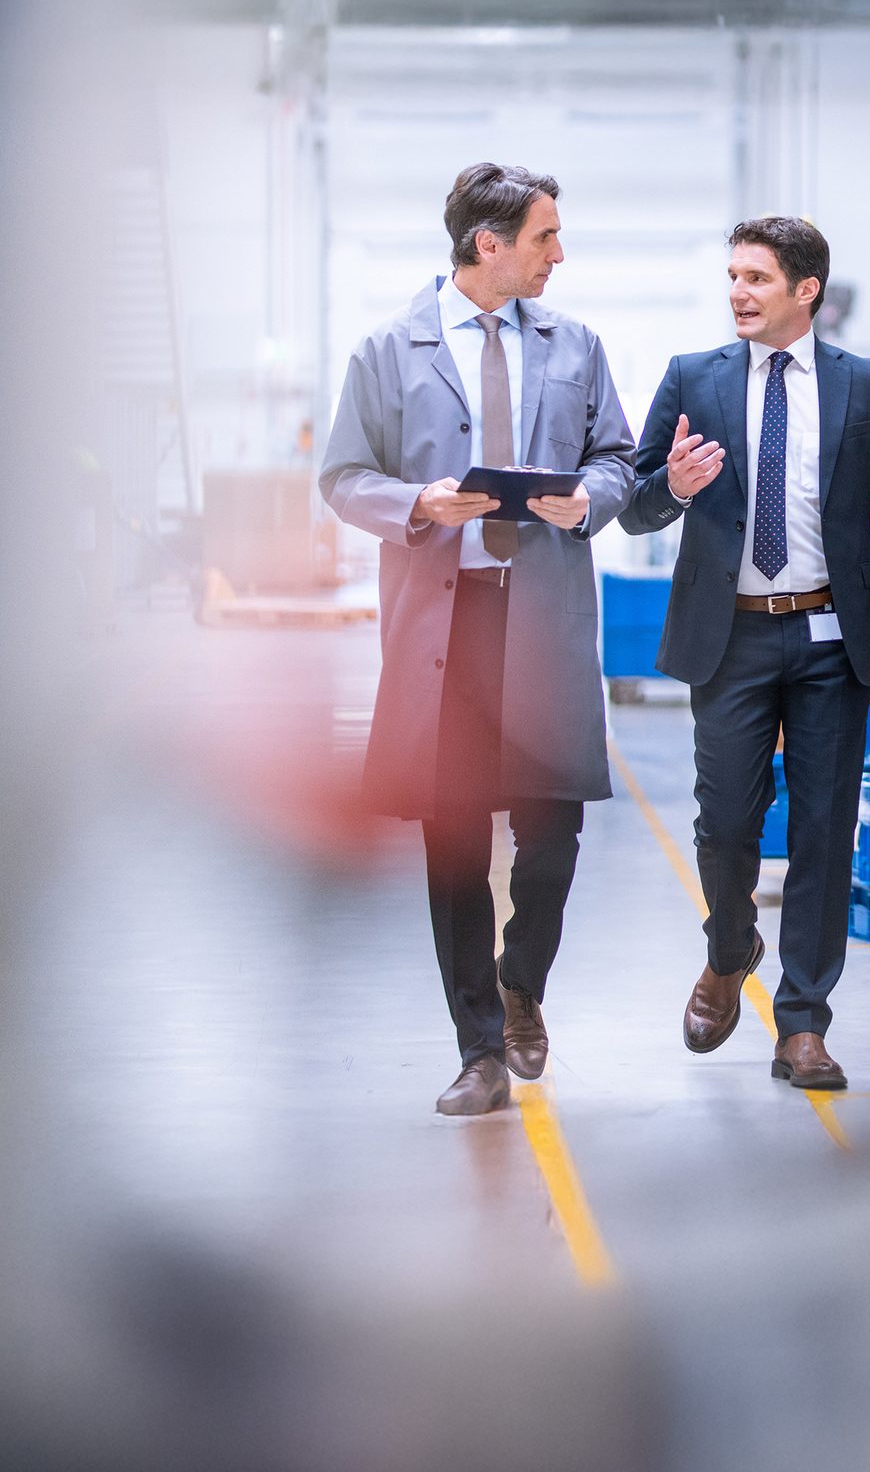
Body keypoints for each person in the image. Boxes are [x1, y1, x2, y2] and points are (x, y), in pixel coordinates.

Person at [321, 163, 636, 1116]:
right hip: (445, 621)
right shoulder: (388, 349)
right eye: (544, 237)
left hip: (541, 609)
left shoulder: (576, 344)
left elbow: (618, 456)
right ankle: (479, 1049)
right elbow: (342, 475)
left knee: (552, 823)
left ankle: (520, 983)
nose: (559, 254)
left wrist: (591, 499)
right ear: (486, 246)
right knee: (453, 834)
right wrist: (412, 501)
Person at [619, 217, 870, 1090]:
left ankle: (802, 1022)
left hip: (834, 640)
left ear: (807, 292)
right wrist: (670, 490)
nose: (738, 293)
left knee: (826, 833)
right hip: (732, 636)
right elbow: (636, 504)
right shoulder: (694, 379)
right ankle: (730, 950)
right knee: (725, 822)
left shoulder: (867, 388)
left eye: (757, 278)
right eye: (732, 277)